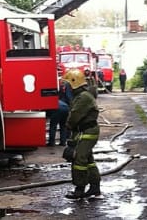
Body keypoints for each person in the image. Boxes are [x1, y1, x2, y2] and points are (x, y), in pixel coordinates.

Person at [63, 68, 101, 199]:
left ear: (74, 83)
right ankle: (95, 187)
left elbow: (75, 115)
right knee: (88, 160)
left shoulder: (83, 97)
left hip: (87, 131)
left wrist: (67, 126)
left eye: (68, 84)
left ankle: (79, 189)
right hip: (84, 131)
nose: (66, 87)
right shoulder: (81, 96)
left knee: (79, 159)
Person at [46, 78, 73, 146]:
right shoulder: (66, 86)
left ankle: (51, 143)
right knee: (63, 126)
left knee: (53, 126)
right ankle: (63, 142)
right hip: (65, 107)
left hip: (58, 109)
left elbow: (48, 113)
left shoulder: (48, 102)